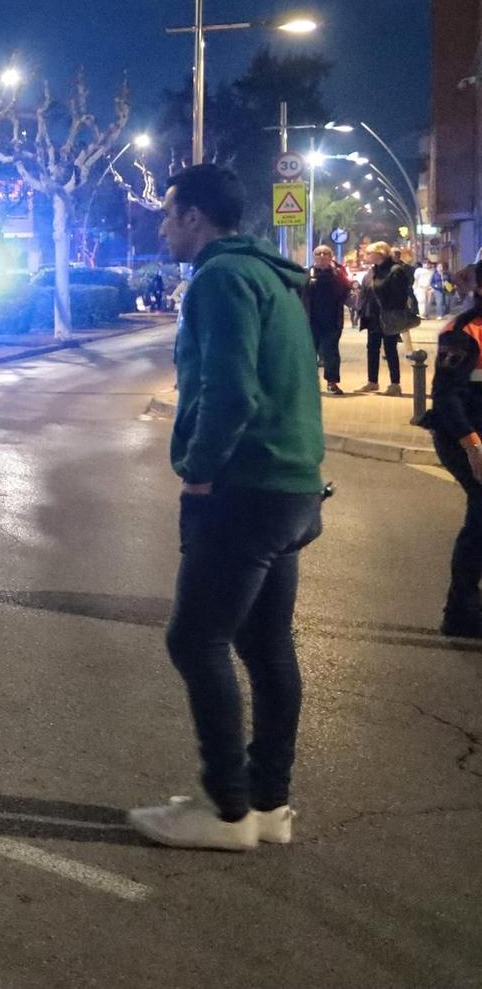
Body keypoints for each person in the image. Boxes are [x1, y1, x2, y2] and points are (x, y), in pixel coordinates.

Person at [128, 164, 324, 852]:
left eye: (168, 213)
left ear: (195, 217)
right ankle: (269, 801)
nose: (162, 227)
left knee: (195, 638)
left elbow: (230, 391)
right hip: (292, 486)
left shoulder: (218, 278)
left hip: (246, 488)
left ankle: (227, 806)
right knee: (265, 644)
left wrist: (199, 475)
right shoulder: (273, 274)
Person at [426, 266, 482, 637]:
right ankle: (460, 610)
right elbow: (446, 397)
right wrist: (473, 446)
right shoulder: (462, 333)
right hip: (463, 436)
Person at [356, 241, 418, 395]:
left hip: (388, 317)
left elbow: (399, 296)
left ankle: (395, 383)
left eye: (370, 253)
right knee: (372, 348)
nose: (367, 256)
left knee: (390, 349)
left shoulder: (395, 271)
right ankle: (372, 381)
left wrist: (388, 307)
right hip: (372, 316)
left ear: (380, 254)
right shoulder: (373, 271)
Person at [305, 245, 352, 396]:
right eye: (318, 253)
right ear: (314, 257)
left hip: (332, 321)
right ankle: (309, 384)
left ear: (331, 256)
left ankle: (332, 383)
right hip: (311, 321)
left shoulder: (338, 273)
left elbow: (346, 291)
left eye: (326, 253)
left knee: (331, 352)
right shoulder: (307, 273)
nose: (322, 256)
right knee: (308, 354)